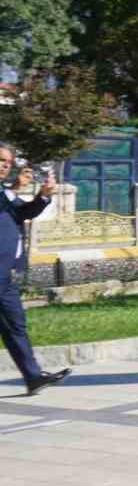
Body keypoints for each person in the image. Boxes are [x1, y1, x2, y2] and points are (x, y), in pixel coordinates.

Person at [0, 146, 68, 395]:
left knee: (15, 326)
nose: (5, 165)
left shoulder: (4, 192)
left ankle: (33, 376)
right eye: (0, 160)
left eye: (7, 161)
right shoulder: (5, 192)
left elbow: (23, 213)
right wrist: (15, 188)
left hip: (4, 275)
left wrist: (43, 195)